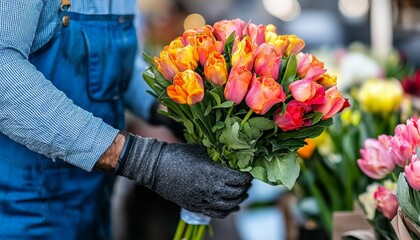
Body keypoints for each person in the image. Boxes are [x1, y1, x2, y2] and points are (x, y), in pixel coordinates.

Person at [0, 0, 252, 239]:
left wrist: (176, 110)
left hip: (94, 201)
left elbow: (120, 65)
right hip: (19, 210)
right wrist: (144, 161)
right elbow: (4, 76)